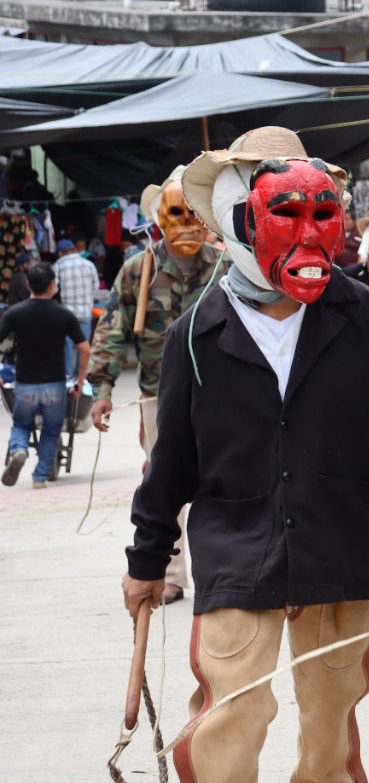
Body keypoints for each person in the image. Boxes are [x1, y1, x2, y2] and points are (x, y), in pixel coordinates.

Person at [123, 127, 369, 783]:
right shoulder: (195, 333)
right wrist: (147, 560)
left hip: (340, 541)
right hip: (237, 543)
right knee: (233, 712)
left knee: (330, 725)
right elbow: (169, 461)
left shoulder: (366, 315)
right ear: (240, 211)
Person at [87, 165, 226, 604]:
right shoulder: (136, 271)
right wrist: (102, 390)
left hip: (224, 391)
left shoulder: (226, 265)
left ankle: (224, 568)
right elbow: (112, 330)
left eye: (195, 214)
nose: (188, 224)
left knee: (226, 480)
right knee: (165, 484)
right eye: (177, 213)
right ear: (159, 218)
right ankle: (170, 573)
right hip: (158, 395)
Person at [0, 262, 87, 489]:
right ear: (52, 285)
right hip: (55, 385)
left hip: (26, 384)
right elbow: (85, 349)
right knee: (51, 430)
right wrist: (79, 381)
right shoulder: (63, 314)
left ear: (29, 284)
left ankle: (19, 449)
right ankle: (39, 478)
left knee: (21, 424)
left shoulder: (14, 313)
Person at [52, 237, 98, 379]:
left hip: (67, 313)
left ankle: (68, 375)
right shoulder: (89, 264)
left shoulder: (58, 265)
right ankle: (81, 376)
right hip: (85, 311)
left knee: (67, 345)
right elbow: (96, 287)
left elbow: (53, 289)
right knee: (83, 344)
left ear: (60, 253)